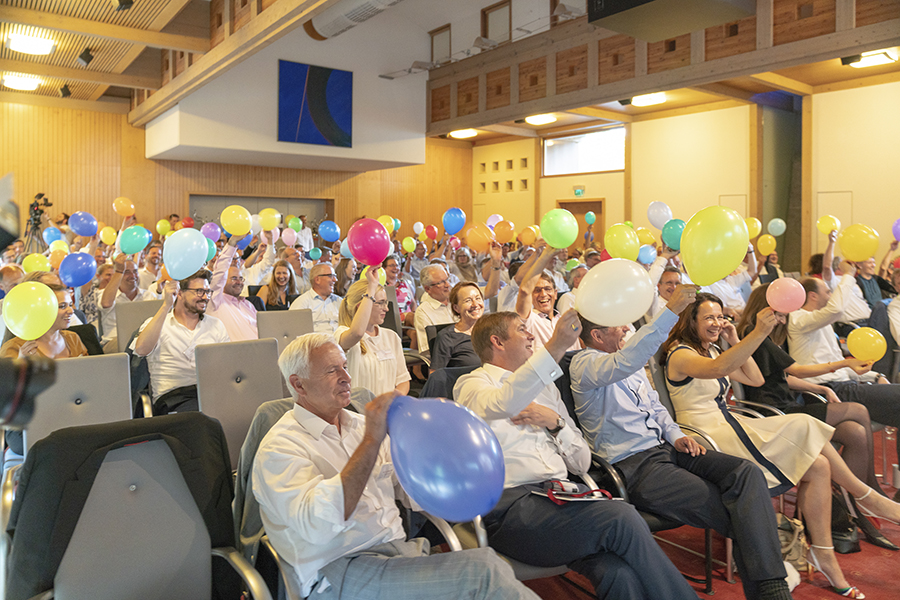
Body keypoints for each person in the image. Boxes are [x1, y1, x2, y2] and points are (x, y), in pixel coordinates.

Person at [252, 333, 537, 600]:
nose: (346, 378)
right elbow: (320, 525)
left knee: (484, 567)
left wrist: (434, 439)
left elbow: (414, 492)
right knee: (484, 572)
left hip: (399, 554)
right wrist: (371, 441)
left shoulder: (360, 427)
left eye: (345, 367)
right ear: (299, 385)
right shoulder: (280, 447)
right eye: (331, 371)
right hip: (337, 569)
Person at [664, 293, 900, 598]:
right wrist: (757, 333)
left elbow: (755, 378)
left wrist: (734, 338)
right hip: (705, 435)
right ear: (690, 320)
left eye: (720, 317)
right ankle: (865, 496)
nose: (717, 323)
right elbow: (719, 370)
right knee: (805, 424)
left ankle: (824, 554)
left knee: (819, 466)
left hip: (730, 424)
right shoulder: (679, 353)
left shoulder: (711, 350)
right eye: (709, 317)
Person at [454, 310, 700, 600]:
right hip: (512, 509)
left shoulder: (546, 389)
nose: (531, 335)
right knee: (620, 516)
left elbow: (581, 463)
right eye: (522, 329)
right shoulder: (472, 385)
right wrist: (557, 345)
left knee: (616, 570)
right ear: (497, 342)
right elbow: (505, 403)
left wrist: (555, 423)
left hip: (562, 498)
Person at [570, 285, 795, 600]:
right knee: (740, 514)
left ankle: (772, 588)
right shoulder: (585, 365)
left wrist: (677, 436)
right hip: (634, 466)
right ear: (596, 336)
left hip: (667, 449)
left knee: (747, 473)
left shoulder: (625, 363)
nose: (625, 329)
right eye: (617, 326)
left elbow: (656, 408)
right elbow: (628, 360)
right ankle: (773, 589)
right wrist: (670, 311)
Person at [788, 270, 900, 495]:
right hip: (829, 391)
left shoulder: (822, 323)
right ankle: (868, 491)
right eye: (827, 291)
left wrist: (874, 376)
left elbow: (841, 366)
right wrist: (849, 275)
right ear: (812, 296)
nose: (831, 295)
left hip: (845, 385)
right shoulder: (798, 318)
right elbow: (836, 309)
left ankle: (876, 490)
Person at [133, 270, 231, 414]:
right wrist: (166, 305)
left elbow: (228, 365)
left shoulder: (216, 325)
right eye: (199, 291)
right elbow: (141, 350)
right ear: (179, 293)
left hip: (209, 393)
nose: (205, 297)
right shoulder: (157, 323)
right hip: (172, 398)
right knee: (203, 417)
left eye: (207, 292)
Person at [334, 270, 410, 395]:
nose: (386, 309)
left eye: (386, 302)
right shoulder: (342, 334)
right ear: (361, 306)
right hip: (358, 407)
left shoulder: (391, 336)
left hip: (387, 405)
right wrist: (371, 287)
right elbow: (357, 333)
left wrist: (392, 400)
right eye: (380, 303)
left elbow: (403, 380)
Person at [516, 244, 580, 352]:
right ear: (531, 296)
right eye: (537, 290)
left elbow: (577, 351)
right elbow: (524, 291)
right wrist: (544, 256)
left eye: (547, 289)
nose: (543, 294)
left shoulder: (564, 321)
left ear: (555, 294)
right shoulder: (528, 319)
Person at [2, 282, 88, 360]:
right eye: (62, 306)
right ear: (41, 309)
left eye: (70, 305)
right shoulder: (13, 347)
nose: (71, 311)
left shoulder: (73, 338)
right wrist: (20, 364)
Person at [99, 252, 158, 352]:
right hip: (114, 342)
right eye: (127, 272)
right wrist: (119, 270)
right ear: (117, 274)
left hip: (143, 341)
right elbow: (106, 304)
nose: (132, 275)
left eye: (135, 271)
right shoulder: (106, 294)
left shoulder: (149, 296)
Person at [207, 233, 259, 341]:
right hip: (236, 350)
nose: (239, 282)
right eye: (234, 278)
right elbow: (219, 274)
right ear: (223, 281)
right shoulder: (216, 301)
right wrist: (231, 244)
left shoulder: (248, 305)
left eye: (241, 278)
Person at [430, 282, 484, 371]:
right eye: (468, 300)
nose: (475, 304)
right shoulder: (447, 337)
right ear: (456, 308)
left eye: (478, 298)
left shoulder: (492, 330)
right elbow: (435, 374)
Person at [289, 262, 342, 334]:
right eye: (331, 276)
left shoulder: (340, 302)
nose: (335, 280)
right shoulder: (301, 303)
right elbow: (293, 330)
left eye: (335, 276)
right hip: (315, 340)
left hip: (340, 339)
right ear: (317, 280)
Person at [414, 264, 454, 356]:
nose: (448, 285)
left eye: (447, 279)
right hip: (446, 358)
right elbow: (426, 349)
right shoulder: (423, 312)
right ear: (428, 288)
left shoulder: (458, 302)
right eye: (441, 282)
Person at [383, 254, 418, 347]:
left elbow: (413, 303)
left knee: (416, 334)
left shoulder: (404, 283)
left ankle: (417, 357)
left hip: (408, 321)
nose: (395, 268)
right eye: (392, 265)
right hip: (394, 319)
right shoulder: (383, 286)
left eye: (397, 265)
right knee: (412, 316)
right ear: (384, 268)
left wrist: (415, 312)